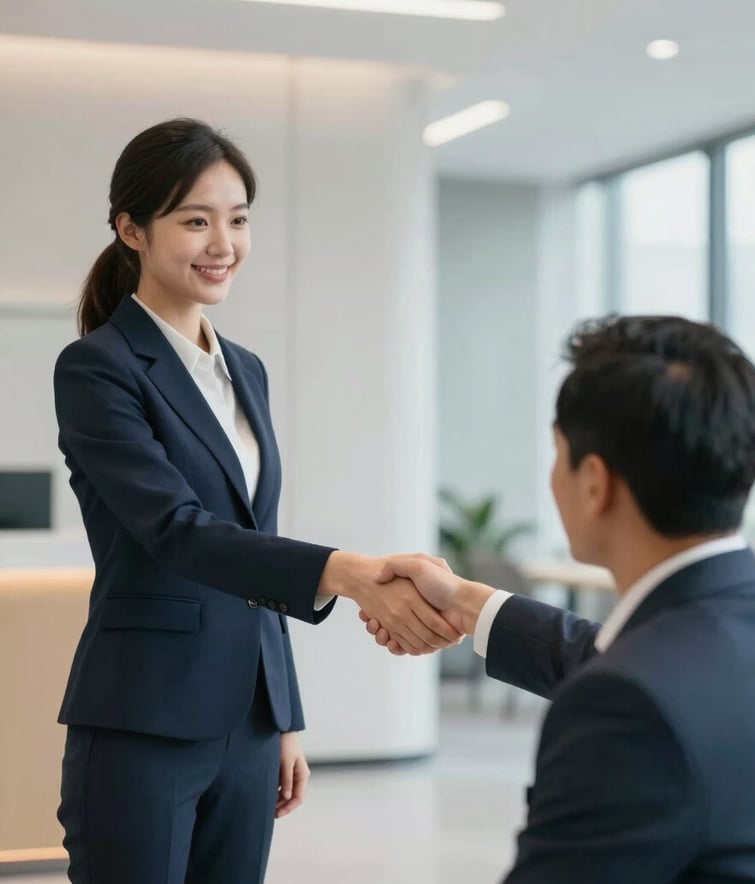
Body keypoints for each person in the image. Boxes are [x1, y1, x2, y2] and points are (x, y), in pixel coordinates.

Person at [53, 117, 460, 884]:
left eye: (238, 220)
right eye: (195, 220)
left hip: (247, 722)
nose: (222, 243)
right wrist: (345, 571)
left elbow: (252, 538)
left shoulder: (246, 370)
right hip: (143, 717)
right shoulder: (97, 368)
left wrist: (283, 717)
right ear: (130, 230)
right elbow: (177, 531)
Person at [366, 315, 755, 882]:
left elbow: (638, 688)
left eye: (559, 452)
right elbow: (643, 664)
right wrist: (467, 602)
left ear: (595, 483)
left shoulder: (626, 706)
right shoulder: (712, 642)